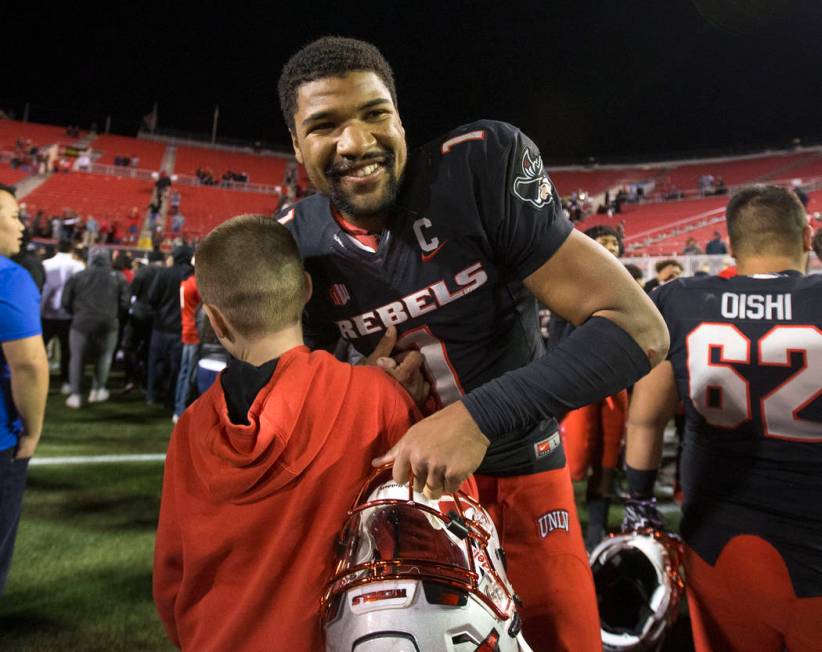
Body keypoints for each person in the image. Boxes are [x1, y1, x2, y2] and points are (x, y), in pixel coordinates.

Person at [276, 36, 668, 649]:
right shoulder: (295, 246)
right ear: (297, 147)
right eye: (325, 126)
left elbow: (638, 330)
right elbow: (287, 408)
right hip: (397, 508)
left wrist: (477, 416)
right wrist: (355, 389)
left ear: (399, 118)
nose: (356, 143)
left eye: (374, 113)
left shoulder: (477, 168)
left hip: (523, 482)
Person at [153, 215, 419, 650]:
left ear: (216, 321)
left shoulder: (190, 428)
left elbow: (170, 577)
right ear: (308, 292)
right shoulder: (376, 397)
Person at [624, 185, 822, 651]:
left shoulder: (680, 300)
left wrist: (639, 499)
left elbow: (646, 418)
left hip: (719, 535)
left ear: (730, 245)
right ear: (807, 238)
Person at [549, 225, 628, 550]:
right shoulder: (567, 286)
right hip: (576, 391)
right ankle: (561, 525)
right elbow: (558, 344)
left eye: (614, 243)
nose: (610, 248)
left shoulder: (629, 287)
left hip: (615, 390)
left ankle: (596, 529)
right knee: (568, 464)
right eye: (603, 242)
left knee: (607, 462)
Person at [0, 183, 49, 594]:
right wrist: (31, 433)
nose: (22, 226)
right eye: (14, 216)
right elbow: (29, 365)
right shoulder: (9, 278)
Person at [61, 247, 130, 408]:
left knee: (77, 358)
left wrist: (77, 313)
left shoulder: (78, 276)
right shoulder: (118, 277)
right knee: (104, 357)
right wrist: (113, 315)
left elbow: (65, 302)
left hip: (81, 323)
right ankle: (97, 390)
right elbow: (125, 303)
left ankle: (76, 395)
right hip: (108, 324)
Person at [146, 246, 193, 407]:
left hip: (161, 326)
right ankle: (171, 397)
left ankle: (152, 394)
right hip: (181, 327)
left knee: (155, 361)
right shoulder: (193, 276)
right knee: (177, 366)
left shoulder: (164, 273)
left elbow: (152, 298)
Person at [41, 239, 85, 394]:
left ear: (57, 248)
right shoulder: (78, 266)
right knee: (67, 350)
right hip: (68, 314)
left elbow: (43, 290)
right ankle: (65, 381)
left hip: (47, 313)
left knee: (40, 347)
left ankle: (39, 378)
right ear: (71, 248)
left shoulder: (46, 264)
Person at [172, 258, 200, 423]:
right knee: (189, 374)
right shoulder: (196, 285)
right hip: (194, 332)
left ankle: (178, 408)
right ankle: (182, 410)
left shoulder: (185, 282)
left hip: (186, 329)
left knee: (184, 373)